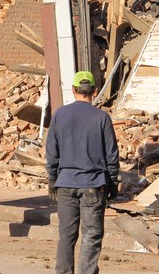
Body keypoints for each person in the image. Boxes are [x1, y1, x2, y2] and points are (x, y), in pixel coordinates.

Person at [45, 71, 120, 274]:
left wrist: (52, 178)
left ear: (73, 90)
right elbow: (111, 154)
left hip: (66, 184)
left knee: (66, 236)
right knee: (91, 235)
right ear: (94, 91)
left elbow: (51, 151)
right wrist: (112, 182)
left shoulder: (60, 114)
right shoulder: (102, 118)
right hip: (93, 186)